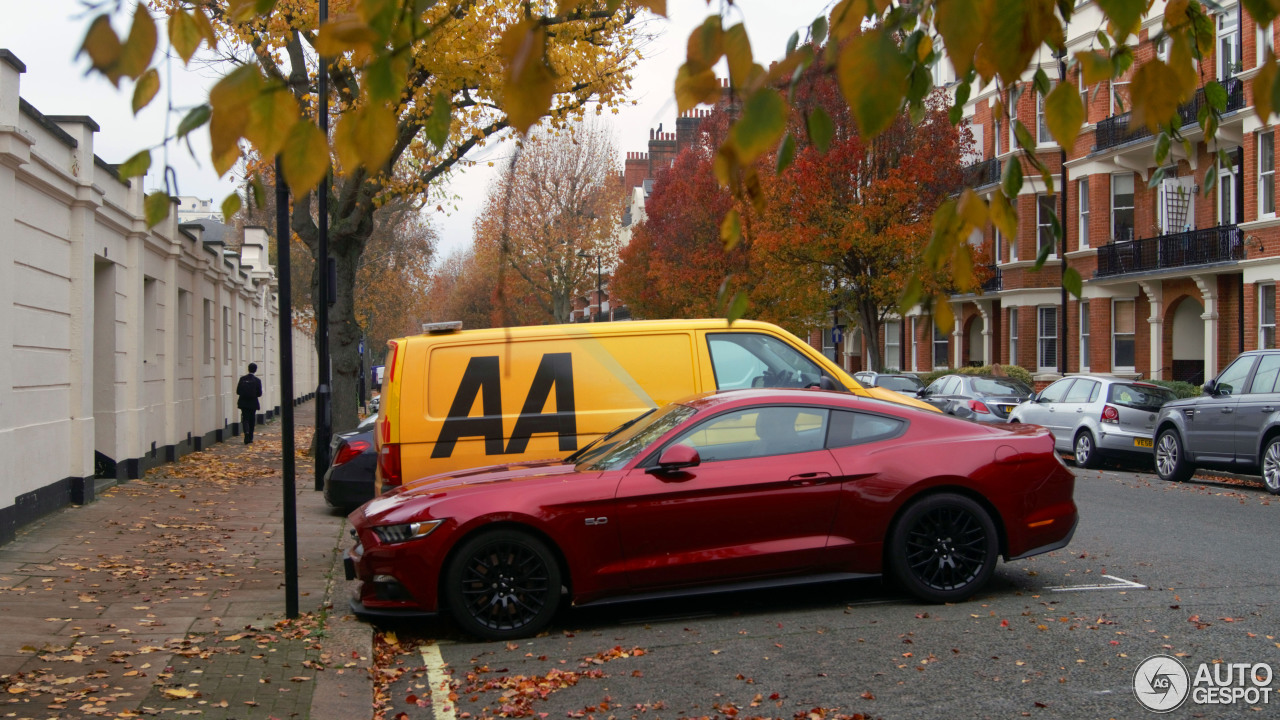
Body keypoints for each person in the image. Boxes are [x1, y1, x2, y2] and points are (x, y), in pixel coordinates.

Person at [236, 363, 263, 444]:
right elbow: (259, 394)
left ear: (248, 369)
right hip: (253, 403)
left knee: (245, 419)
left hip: (243, 403)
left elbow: (238, 391)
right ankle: (250, 437)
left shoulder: (242, 379)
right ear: (255, 370)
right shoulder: (257, 380)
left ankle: (246, 434)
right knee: (252, 419)